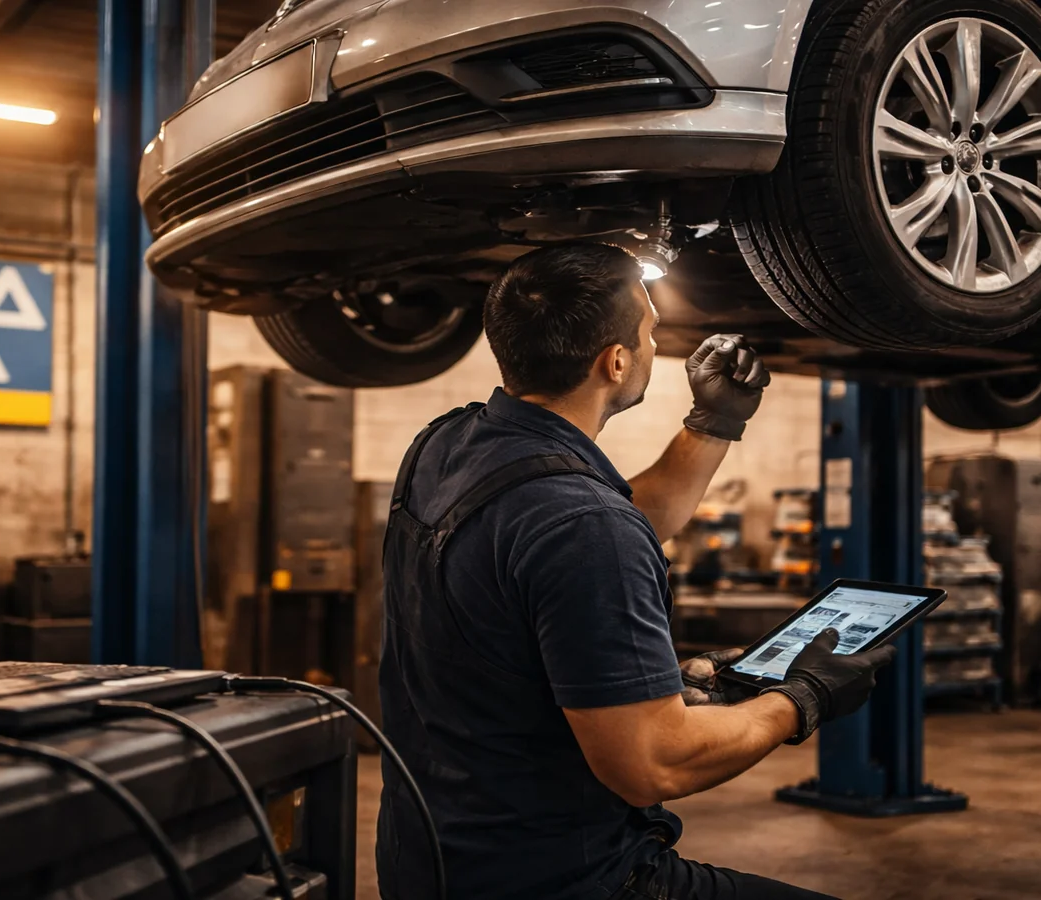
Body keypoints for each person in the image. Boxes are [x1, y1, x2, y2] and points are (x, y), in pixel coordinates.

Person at [375, 243, 896, 900]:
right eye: (650, 331)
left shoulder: (444, 444)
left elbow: (583, 537)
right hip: (559, 882)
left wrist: (714, 420)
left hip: (427, 861)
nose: (654, 344)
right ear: (615, 361)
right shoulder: (582, 523)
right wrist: (801, 698)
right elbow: (653, 763)